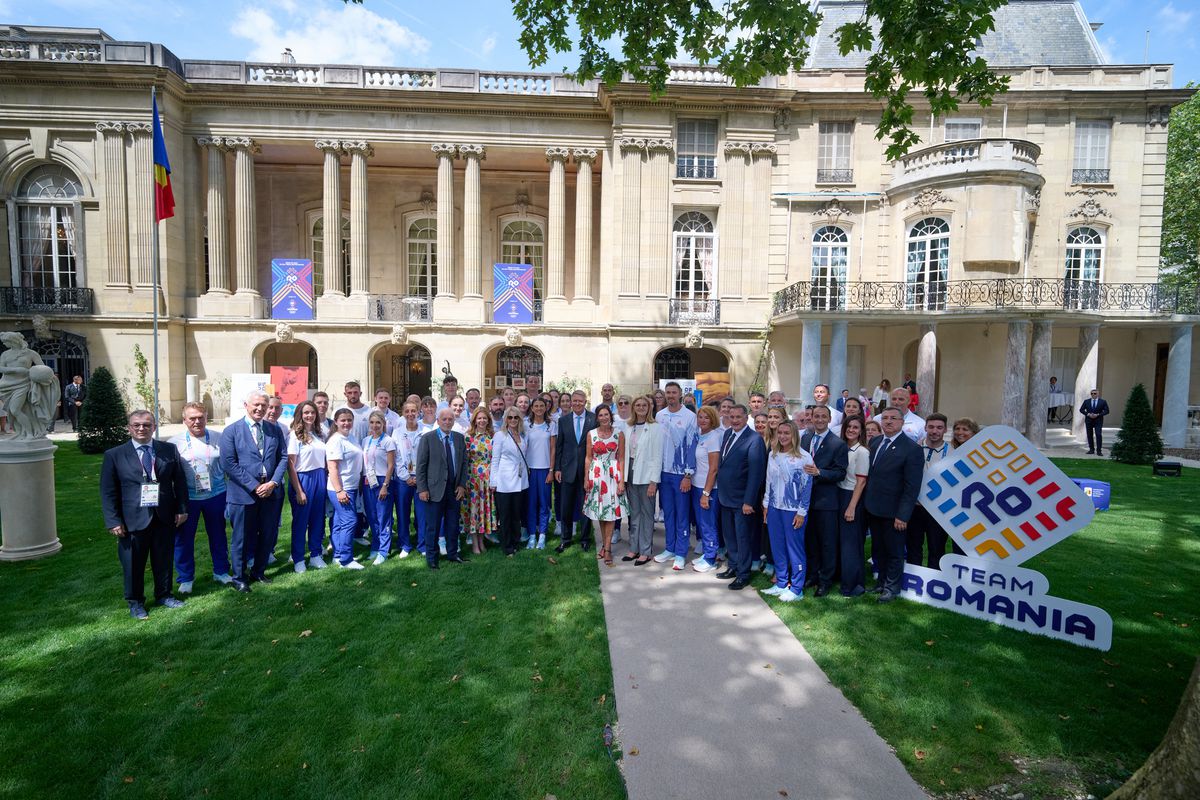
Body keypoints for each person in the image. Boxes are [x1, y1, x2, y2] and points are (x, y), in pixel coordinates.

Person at [101, 410, 189, 619]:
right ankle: (135, 602)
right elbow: (108, 491)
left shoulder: (168, 449)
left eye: (147, 425)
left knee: (164, 559)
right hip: (131, 520)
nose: (142, 429)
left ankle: (164, 594)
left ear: (154, 427)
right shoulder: (114, 455)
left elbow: (180, 482)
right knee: (132, 563)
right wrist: (113, 521)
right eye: (137, 425)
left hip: (164, 515)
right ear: (129, 427)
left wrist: (182, 509)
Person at [220, 390, 287, 591]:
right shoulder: (231, 431)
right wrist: (255, 486)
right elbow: (228, 464)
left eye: (264, 406)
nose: (260, 409)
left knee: (267, 534)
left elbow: (283, 457)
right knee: (241, 537)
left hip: (270, 492)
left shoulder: (274, 430)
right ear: (246, 405)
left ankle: (258, 571)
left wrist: (273, 483)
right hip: (243, 494)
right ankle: (239, 578)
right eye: (256, 405)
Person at [169, 402, 232, 592]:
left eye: (201, 417)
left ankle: (221, 571)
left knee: (218, 534)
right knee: (184, 538)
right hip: (189, 498)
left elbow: (228, 465)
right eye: (192, 418)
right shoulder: (174, 443)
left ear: (206, 417)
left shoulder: (219, 438)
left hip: (217, 494)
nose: (197, 421)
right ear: (184, 420)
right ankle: (186, 578)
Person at [864, 407, 924, 603]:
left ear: (902, 422)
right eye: (885, 418)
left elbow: (912, 486)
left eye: (893, 418)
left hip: (895, 512)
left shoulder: (912, 449)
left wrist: (903, 515)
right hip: (874, 508)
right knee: (878, 549)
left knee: (894, 552)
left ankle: (892, 588)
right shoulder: (875, 442)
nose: (888, 421)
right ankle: (881, 582)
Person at [715, 404, 767, 591]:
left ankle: (743, 575)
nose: (735, 420)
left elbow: (756, 474)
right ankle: (734, 566)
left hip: (742, 501)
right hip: (725, 497)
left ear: (746, 418)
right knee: (730, 537)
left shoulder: (754, 440)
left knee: (742, 538)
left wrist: (749, 501)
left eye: (738, 417)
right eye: (732, 416)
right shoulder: (728, 434)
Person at [762, 421, 813, 602]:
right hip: (775, 508)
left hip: (793, 511)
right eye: (780, 433)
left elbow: (807, 487)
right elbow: (769, 481)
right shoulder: (773, 455)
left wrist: (802, 512)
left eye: (787, 433)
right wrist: (766, 504)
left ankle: (797, 588)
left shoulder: (804, 457)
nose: (783, 436)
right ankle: (781, 583)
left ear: (794, 436)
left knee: (795, 549)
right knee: (778, 547)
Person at [801, 405, 848, 596]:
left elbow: (840, 473)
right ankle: (812, 574)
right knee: (810, 540)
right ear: (811, 418)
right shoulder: (805, 438)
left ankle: (825, 580)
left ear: (829, 419)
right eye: (816, 416)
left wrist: (820, 472)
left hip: (826, 502)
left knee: (827, 543)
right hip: (805, 501)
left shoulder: (838, 444)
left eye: (823, 417)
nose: (819, 420)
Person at [416, 407, 469, 569]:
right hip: (434, 490)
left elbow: (464, 464)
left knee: (453, 524)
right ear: (438, 421)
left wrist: (461, 485)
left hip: (454, 490)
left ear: (454, 421)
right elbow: (421, 466)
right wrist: (422, 489)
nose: (447, 422)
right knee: (433, 525)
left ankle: (453, 554)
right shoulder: (428, 438)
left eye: (450, 419)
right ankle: (432, 558)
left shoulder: (459, 439)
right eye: (444, 419)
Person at [653, 382, 697, 570]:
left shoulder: (690, 416)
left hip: (681, 474)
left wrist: (688, 474)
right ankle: (670, 547)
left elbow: (691, 445)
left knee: (681, 514)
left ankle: (680, 552)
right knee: (668, 512)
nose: (670, 395)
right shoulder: (659, 415)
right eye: (668, 393)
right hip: (664, 472)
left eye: (674, 393)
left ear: (680, 394)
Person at [285, 399, 328, 572]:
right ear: (300, 415)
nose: (310, 415)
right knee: (301, 522)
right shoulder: (294, 436)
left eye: (312, 412)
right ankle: (298, 559)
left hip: (319, 477)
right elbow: (291, 466)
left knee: (318, 519)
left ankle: (316, 555)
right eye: (306, 413)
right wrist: (299, 490)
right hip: (302, 479)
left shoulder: (319, 433)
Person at [907, 413, 952, 569]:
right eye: (931, 427)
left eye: (939, 427)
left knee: (937, 548)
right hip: (915, 507)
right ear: (925, 428)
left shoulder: (952, 452)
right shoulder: (913, 448)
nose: (934, 431)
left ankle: (934, 582)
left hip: (938, 510)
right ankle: (914, 582)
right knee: (913, 546)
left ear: (945, 429)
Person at [583, 405, 627, 566]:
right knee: (601, 513)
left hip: (612, 475)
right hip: (596, 475)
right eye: (600, 415)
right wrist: (585, 478)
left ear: (611, 416)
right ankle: (605, 545)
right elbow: (588, 457)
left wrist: (622, 480)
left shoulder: (619, 434)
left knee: (610, 513)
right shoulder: (591, 434)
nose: (604, 417)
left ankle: (607, 549)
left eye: (606, 414)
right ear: (597, 418)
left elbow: (621, 458)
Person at [622, 395, 662, 565]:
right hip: (630, 473)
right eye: (637, 405)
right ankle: (634, 549)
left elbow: (657, 456)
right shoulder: (628, 426)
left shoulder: (655, 428)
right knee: (634, 513)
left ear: (649, 407)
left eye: (644, 405)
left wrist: (654, 481)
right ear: (633, 407)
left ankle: (645, 551)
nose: (640, 407)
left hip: (647, 475)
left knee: (646, 513)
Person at [555, 390, 597, 552]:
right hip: (567, 470)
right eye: (575, 401)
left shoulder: (593, 419)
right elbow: (560, 446)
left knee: (585, 505)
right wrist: (558, 468)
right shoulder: (563, 420)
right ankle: (565, 538)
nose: (577, 403)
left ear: (585, 402)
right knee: (566, 505)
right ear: (571, 402)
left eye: (581, 401)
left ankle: (585, 538)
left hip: (587, 470)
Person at [324, 408, 365, 569]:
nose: (346, 423)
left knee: (340, 522)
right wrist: (340, 491)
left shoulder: (351, 438)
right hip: (341, 488)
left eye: (349, 420)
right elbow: (332, 468)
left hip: (352, 486)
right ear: (336, 422)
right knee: (350, 521)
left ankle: (338, 554)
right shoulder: (336, 440)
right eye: (343, 420)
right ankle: (347, 560)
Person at [0, 331, 59, 439]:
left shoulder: (30, 353)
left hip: (23, 384)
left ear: (13, 341)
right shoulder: (5, 354)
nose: (4, 344)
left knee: (15, 409)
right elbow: (1, 368)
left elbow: (41, 367)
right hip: (6, 386)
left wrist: (47, 375)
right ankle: (20, 432)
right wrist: (16, 370)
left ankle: (30, 433)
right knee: (14, 411)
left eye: (5, 342)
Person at [489, 406, 529, 557]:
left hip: (521, 480)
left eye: (516, 417)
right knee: (505, 515)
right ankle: (507, 546)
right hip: (504, 481)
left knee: (516, 514)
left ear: (519, 419)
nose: (513, 420)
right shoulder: (500, 435)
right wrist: (493, 481)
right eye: (510, 417)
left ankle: (515, 541)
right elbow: (495, 459)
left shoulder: (522, 435)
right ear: (506, 419)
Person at [837, 414, 869, 596]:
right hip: (839, 495)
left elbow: (861, 482)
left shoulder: (862, 452)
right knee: (842, 542)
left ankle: (854, 585)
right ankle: (843, 578)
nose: (851, 430)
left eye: (855, 427)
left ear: (861, 431)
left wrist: (851, 507)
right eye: (849, 427)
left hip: (852, 497)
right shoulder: (843, 448)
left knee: (851, 544)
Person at [361, 411, 397, 565]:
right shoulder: (365, 441)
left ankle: (384, 550)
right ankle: (375, 546)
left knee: (383, 517)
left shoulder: (388, 441)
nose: (375, 426)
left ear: (383, 424)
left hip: (383, 481)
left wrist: (385, 486)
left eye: (378, 423)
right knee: (372, 516)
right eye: (372, 423)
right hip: (369, 481)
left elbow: (391, 465)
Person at [390, 400, 424, 557]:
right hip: (403, 480)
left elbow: (427, 457)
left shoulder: (425, 431)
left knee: (421, 513)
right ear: (403, 413)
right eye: (407, 411)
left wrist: (419, 477)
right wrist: (405, 476)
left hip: (421, 479)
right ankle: (405, 545)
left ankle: (422, 544)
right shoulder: (397, 432)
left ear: (418, 412)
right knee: (402, 513)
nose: (410, 414)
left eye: (413, 411)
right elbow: (395, 457)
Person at [690, 405, 721, 573]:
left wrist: (706, 493)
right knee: (702, 523)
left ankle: (711, 558)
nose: (702, 420)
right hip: (697, 485)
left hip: (707, 488)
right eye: (700, 417)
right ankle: (708, 553)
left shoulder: (713, 437)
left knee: (708, 524)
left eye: (706, 417)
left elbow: (713, 468)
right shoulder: (701, 435)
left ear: (713, 419)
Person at [463, 406, 498, 555]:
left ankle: (482, 540)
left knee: (485, 510)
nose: (482, 420)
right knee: (474, 511)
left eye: (484, 418)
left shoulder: (493, 436)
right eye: (479, 418)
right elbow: (465, 460)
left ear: (488, 420)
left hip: (488, 479)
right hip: (473, 479)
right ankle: (475, 543)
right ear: (475, 420)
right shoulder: (468, 437)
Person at [524, 396, 556, 550]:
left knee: (544, 504)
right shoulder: (526, 425)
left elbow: (553, 449)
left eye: (541, 406)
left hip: (544, 470)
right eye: (535, 406)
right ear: (532, 408)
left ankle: (542, 535)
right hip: (530, 470)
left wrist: (551, 470)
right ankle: (531, 535)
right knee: (530, 504)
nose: (538, 408)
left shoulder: (551, 425)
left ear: (546, 407)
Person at [1080, 389, 1110, 456]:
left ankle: (1099, 451)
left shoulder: (1103, 402)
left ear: (1098, 394)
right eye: (1092, 393)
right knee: (1089, 435)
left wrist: (1098, 414)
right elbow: (1081, 409)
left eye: (1095, 393)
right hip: (1089, 420)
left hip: (1098, 420)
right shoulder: (1086, 401)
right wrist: (1088, 414)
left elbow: (1107, 411)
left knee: (1098, 434)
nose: (1093, 395)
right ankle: (1091, 450)